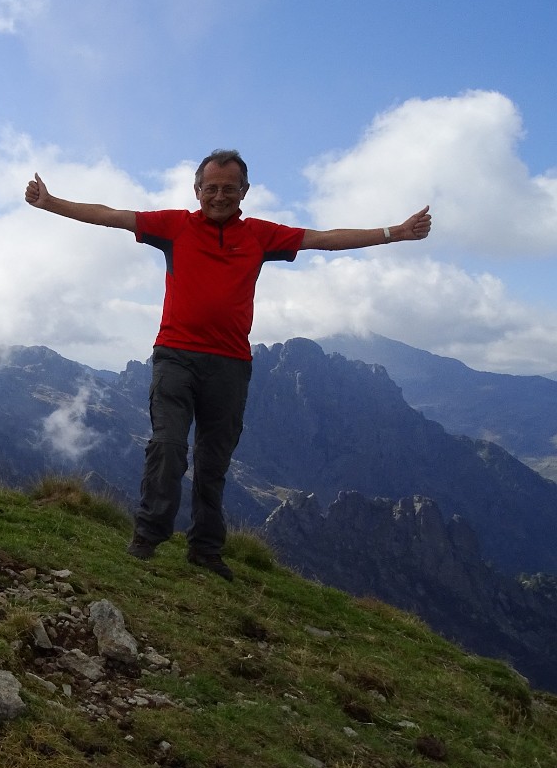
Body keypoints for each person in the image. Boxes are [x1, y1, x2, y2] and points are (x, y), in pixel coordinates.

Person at [25, 149, 432, 580]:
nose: (219, 196)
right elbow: (111, 215)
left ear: (244, 192)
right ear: (197, 190)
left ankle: (205, 549)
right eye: (211, 188)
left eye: (228, 189)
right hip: (175, 355)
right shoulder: (174, 226)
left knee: (214, 460)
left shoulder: (259, 235)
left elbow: (324, 238)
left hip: (230, 364)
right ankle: (147, 536)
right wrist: (51, 203)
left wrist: (395, 232)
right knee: (168, 445)